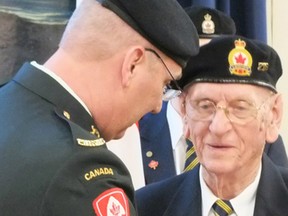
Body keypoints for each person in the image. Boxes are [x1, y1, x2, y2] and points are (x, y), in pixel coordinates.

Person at [0, 0, 199, 215]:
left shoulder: (8, 104)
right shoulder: (81, 174)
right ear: (132, 65)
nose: (157, 107)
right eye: (165, 85)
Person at [136, 36, 288, 216]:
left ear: (273, 116)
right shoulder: (144, 207)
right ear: (185, 115)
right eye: (205, 106)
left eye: (239, 108)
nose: (218, 127)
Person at [139, 6, 237, 184]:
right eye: (195, 58)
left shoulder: (256, 134)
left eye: (216, 61)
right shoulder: (135, 129)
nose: (205, 71)